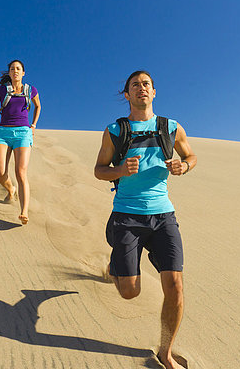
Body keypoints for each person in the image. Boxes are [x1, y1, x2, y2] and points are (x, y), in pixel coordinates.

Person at [94, 70, 196, 369]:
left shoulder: (171, 128)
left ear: (154, 92)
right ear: (127, 94)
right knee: (129, 292)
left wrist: (183, 167)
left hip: (164, 215)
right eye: (135, 85)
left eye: (146, 84)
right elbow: (99, 169)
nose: (141, 88)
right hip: (126, 216)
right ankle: (115, 268)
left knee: (175, 284)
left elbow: (191, 157)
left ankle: (165, 351)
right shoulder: (115, 130)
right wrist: (120, 171)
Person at [0, 60, 41, 225]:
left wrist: (33, 125)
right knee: (0, 171)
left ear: (23, 72)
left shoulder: (30, 90)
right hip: (3, 132)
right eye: (12, 69)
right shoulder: (2, 90)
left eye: (18, 69)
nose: (15, 71)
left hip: (23, 133)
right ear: (9, 73)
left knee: (20, 172)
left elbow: (38, 106)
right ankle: (11, 189)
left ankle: (24, 211)